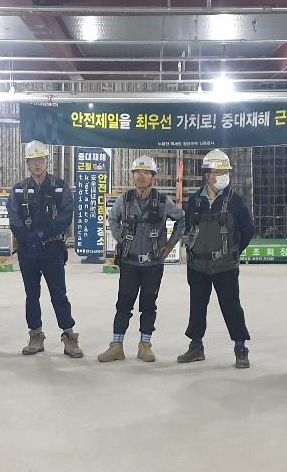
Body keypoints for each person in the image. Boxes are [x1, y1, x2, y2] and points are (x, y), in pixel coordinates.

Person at [98, 155, 185, 362]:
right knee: (123, 304)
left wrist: (170, 244)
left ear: (153, 177)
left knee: (148, 304)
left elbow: (181, 219)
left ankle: (145, 345)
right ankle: (117, 346)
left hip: (153, 264)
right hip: (129, 263)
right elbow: (113, 219)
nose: (141, 176)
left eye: (146, 172)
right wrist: (121, 239)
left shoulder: (163, 201)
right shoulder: (125, 200)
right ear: (133, 176)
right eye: (138, 172)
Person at [178, 149, 255, 369]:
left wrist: (232, 253)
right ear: (207, 174)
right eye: (218, 172)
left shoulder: (235, 201)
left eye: (225, 172)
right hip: (198, 266)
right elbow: (188, 228)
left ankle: (240, 348)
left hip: (225, 266)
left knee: (232, 307)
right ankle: (196, 347)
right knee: (197, 307)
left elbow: (247, 231)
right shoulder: (195, 200)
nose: (223, 176)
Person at [8, 140, 81, 358]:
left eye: (40, 159)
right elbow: (14, 217)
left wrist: (44, 234)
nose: (37, 164)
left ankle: (69, 336)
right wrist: (26, 238)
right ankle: (35, 335)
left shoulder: (59, 186)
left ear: (47, 161)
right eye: (33, 161)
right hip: (28, 251)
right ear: (27, 164)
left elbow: (66, 215)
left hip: (52, 249)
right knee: (32, 294)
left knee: (59, 293)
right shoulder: (18, 190)